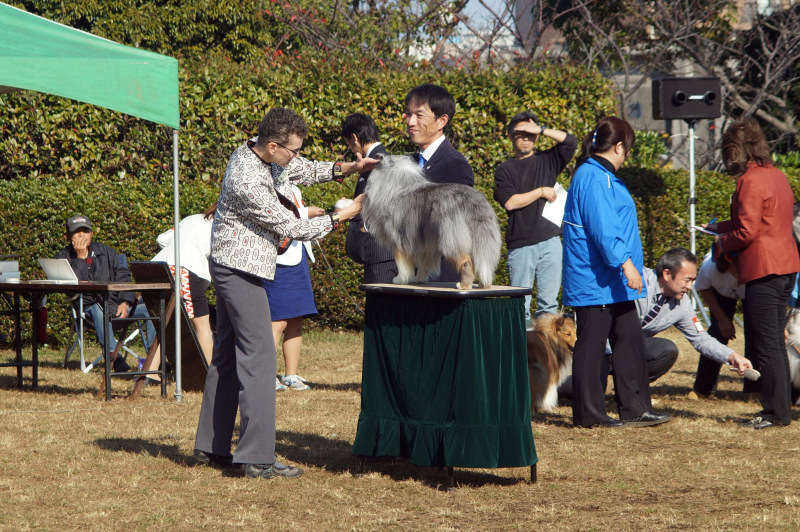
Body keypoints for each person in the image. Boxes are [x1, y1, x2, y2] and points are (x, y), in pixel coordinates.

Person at [193, 107, 374, 478]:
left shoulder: (259, 153)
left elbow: (303, 169)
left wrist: (349, 169)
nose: (296, 156)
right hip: (239, 271)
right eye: (292, 150)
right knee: (259, 358)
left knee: (227, 354)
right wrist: (346, 213)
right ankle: (256, 458)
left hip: (231, 265)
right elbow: (292, 226)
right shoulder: (248, 180)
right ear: (273, 145)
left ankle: (210, 446)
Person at [562, 116, 669, 428]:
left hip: (613, 281)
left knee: (629, 339)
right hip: (597, 278)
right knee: (592, 345)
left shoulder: (600, 175)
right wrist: (626, 265)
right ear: (619, 146)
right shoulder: (594, 177)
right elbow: (604, 230)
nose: (627, 156)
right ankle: (589, 415)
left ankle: (635, 407)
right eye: (628, 149)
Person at [706, 117, 800, 429]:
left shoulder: (749, 181)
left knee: (766, 343)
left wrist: (721, 240)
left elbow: (746, 233)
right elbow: (765, 220)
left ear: (737, 150)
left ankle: (774, 412)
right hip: (786, 266)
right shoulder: (776, 176)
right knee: (774, 341)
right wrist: (718, 226)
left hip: (763, 268)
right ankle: (781, 409)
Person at [558, 248, 752, 400]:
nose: (691, 287)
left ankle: (628, 390)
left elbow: (700, 338)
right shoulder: (635, 279)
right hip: (601, 350)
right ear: (667, 274)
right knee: (590, 394)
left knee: (666, 350)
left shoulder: (682, 304)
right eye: (687, 280)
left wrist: (731, 356)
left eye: (693, 280)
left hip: (628, 351)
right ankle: (552, 387)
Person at [493, 111, 577, 323]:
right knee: (519, 307)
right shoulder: (504, 170)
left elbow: (571, 142)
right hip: (521, 246)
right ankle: (521, 355)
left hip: (550, 242)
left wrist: (540, 128)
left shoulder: (547, 160)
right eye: (520, 133)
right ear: (511, 136)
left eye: (530, 133)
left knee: (549, 307)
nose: (525, 137)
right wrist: (541, 191)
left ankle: (547, 355)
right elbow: (510, 202)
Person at [56, 215, 150, 372]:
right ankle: (114, 357)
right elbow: (74, 288)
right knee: (97, 308)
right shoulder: (62, 258)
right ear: (67, 236)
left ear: (92, 233)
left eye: (85, 231)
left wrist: (125, 302)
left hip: (116, 307)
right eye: (76, 231)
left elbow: (124, 277)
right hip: (87, 311)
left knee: (151, 308)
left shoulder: (108, 253)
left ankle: (155, 359)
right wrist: (80, 258)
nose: (81, 235)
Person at [404, 83, 473, 282]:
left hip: (441, 277)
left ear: (442, 120)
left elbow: (454, 226)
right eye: (408, 114)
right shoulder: (408, 163)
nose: (411, 122)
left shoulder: (455, 166)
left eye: (419, 115)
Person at [264, 183, 324, 391]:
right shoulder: (265, 178)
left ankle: (291, 375)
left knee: (296, 319)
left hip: (298, 257)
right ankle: (267, 375)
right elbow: (276, 216)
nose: (296, 155)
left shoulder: (293, 184)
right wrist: (307, 213)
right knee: (277, 322)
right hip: (278, 260)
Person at [341, 113, 397, 283]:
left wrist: (356, 217)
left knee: (381, 306)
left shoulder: (378, 162)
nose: (350, 149)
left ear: (354, 138)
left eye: (348, 144)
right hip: (384, 254)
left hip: (381, 253)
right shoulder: (383, 159)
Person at [689, 249, 747, 399]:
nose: (736, 276)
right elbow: (703, 288)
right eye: (733, 272)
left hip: (752, 292)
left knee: (757, 334)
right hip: (720, 294)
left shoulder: (754, 265)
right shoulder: (709, 268)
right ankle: (703, 388)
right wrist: (723, 320)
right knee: (716, 333)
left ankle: (755, 389)